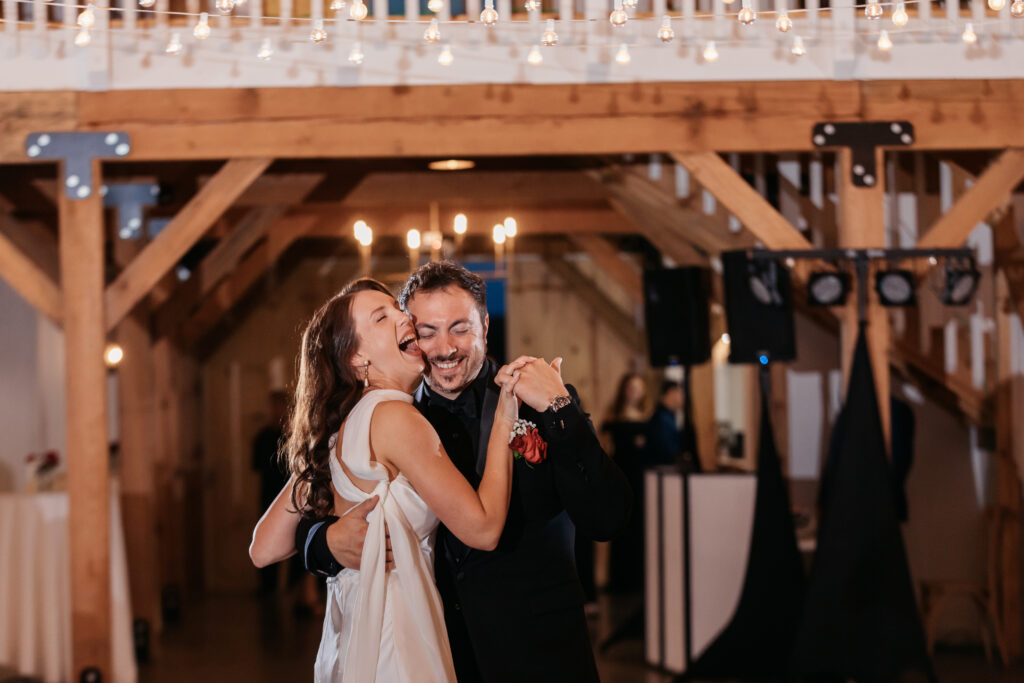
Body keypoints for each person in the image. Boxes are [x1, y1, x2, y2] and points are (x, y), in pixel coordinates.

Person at [295, 261, 632, 682]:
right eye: (427, 331)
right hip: (442, 657)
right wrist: (323, 541)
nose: (444, 348)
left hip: (543, 656)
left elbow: (608, 518)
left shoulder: (536, 402)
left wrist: (562, 408)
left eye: (460, 328)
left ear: (485, 326)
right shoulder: (389, 416)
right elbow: (302, 515)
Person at [249, 278, 522, 682]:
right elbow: (482, 529)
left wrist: (328, 540)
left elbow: (263, 547)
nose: (403, 317)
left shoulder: (337, 430)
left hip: (356, 632)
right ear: (357, 357)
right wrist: (505, 421)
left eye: (397, 308)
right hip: (397, 635)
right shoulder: (396, 418)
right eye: (382, 317)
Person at [601, 373, 649, 594]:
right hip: (620, 477)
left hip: (640, 479)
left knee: (639, 525)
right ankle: (620, 579)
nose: (635, 392)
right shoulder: (613, 419)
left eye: (638, 388)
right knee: (621, 525)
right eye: (631, 387)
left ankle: (638, 578)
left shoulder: (646, 419)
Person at [251, 390, 292, 595]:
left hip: (292, 497)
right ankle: (267, 589)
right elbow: (257, 467)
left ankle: (297, 592)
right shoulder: (263, 436)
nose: (276, 411)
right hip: (269, 494)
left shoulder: (294, 436)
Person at [644, 380, 684, 467]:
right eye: (680, 393)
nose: (682, 398)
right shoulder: (662, 418)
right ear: (671, 392)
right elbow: (667, 450)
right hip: (662, 470)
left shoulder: (669, 416)